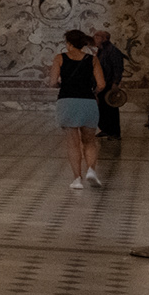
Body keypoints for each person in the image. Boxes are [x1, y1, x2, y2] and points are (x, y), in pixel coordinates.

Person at [50, 29, 107, 190]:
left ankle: (77, 179)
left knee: (72, 143)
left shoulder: (60, 58)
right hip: (88, 102)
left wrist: (63, 85)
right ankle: (91, 170)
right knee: (90, 141)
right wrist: (93, 92)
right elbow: (101, 84)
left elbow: (53, 82)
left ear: (68, 43)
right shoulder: (92, 59)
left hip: (67, 101)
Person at [94, 29, 125, 140]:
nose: (95, 39)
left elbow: (118, 68)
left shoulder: (112, 51)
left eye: (97, 37)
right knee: (102, 107)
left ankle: (114, 132)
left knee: (111, 108)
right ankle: (105, 129)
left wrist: (115, 83)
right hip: (102, 82)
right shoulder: (102, 50)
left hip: (109, 83)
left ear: (104, 39)